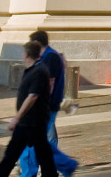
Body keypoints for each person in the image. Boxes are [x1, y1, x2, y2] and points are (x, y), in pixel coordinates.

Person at [0, 43, 57, 177]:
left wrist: (16, 118)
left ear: (26, 54)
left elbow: (32, 96)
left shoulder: (38, 71)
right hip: (30, 122)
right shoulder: (33, 70)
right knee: (41, 155)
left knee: (15, 155)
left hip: (32, 122)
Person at [18, 31, 77, 177]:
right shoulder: (50, 56)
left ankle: (63, 165)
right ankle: (63, 165)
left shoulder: (50, 58)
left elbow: (48, 84)